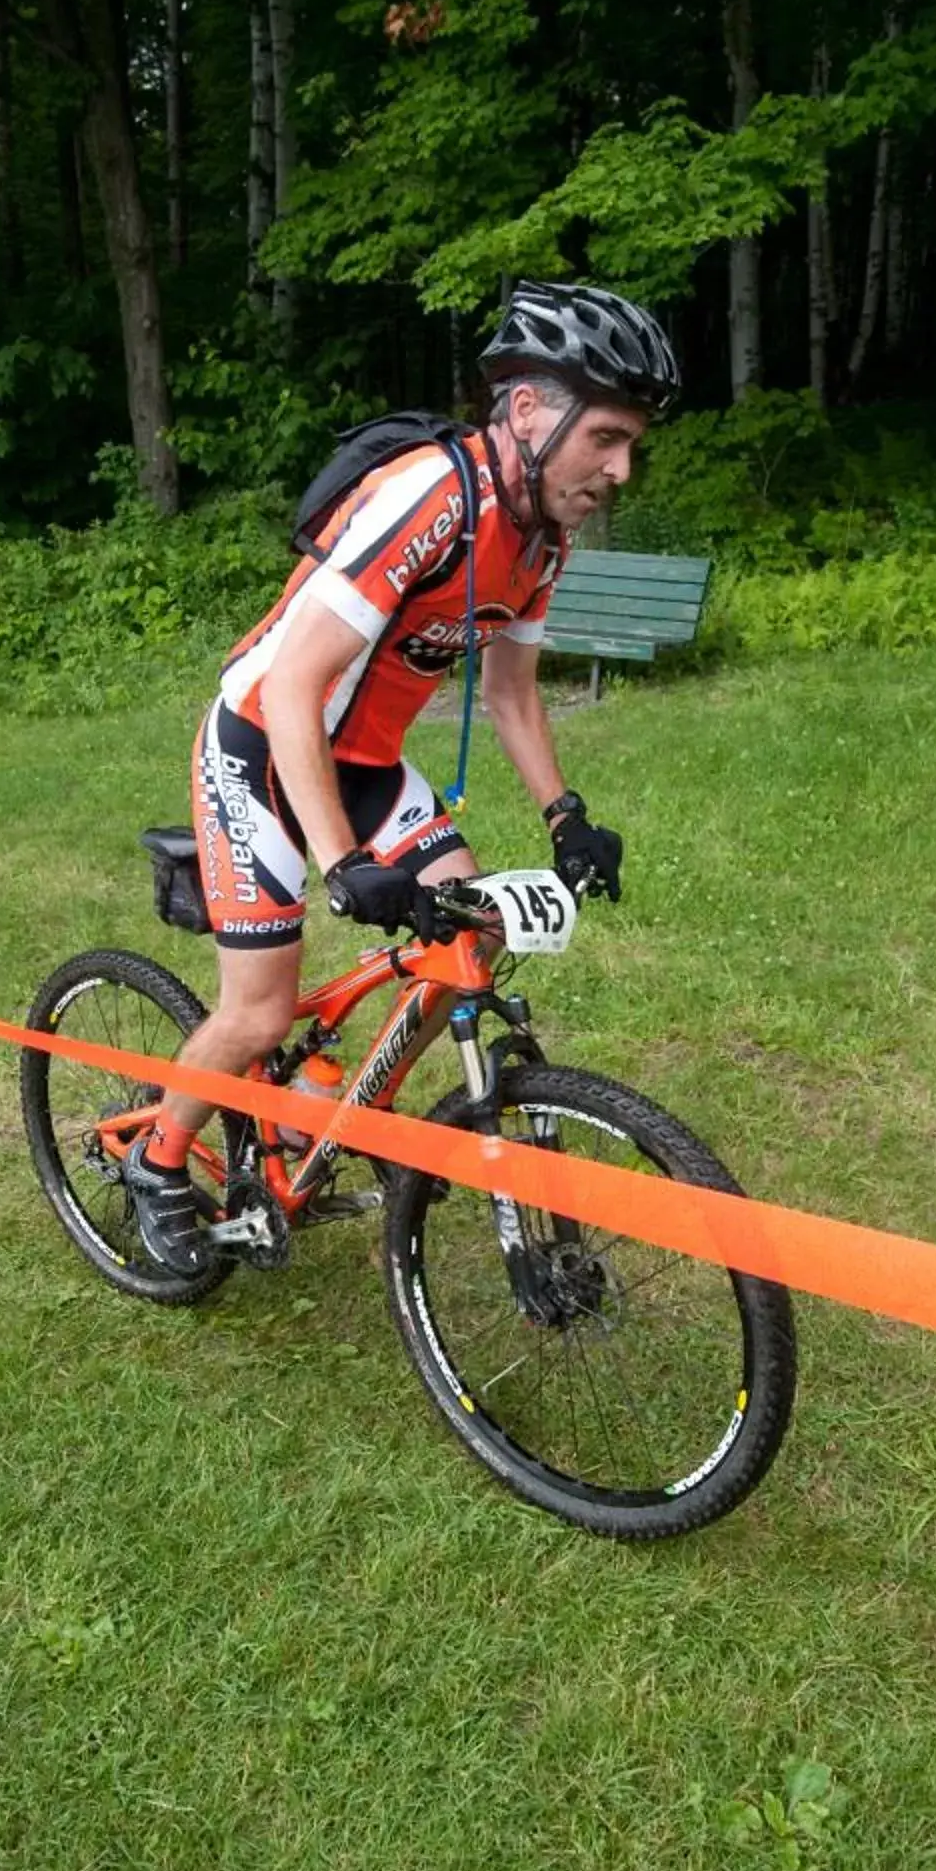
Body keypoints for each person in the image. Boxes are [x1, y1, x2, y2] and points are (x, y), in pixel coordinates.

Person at [124, 280, 676, 1275]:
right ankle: (159, 1163)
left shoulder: (542, 535)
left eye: (631, 441)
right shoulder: (429, 495)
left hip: (366, 761)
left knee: (468, 931)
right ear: (526, 411)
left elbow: (511, 692)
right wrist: (339, 862)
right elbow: (294, 685)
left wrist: (567, 817)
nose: (621, 468)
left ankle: (317, 1098)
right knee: (255, 1008)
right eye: (605, 436)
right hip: (260, 740)